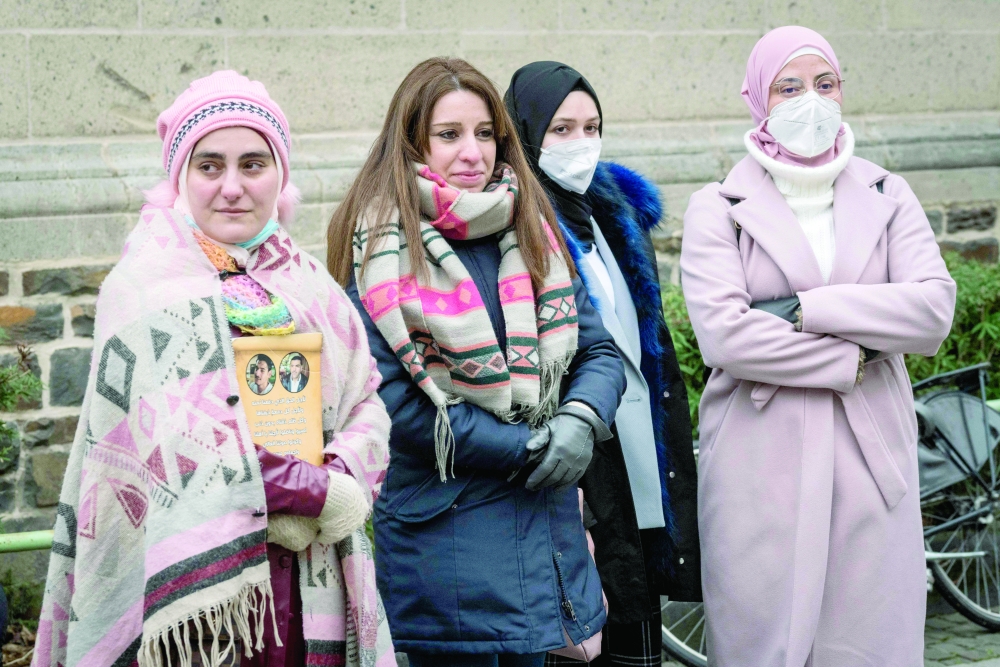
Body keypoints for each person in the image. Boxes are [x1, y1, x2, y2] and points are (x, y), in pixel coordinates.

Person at [33, 71, 395, 667]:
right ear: (180, 177)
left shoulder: (310, 284)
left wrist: (342, 474)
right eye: (209, 166)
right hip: (199, 607)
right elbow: (177, 441)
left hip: (308, 582)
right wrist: (313, 491)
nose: (232, 187)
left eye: (253, 164)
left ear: (280, 175)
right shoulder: (142, 291)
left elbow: (366, 401)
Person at [327, 57, 626, 667]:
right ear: (412, 142)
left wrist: (581, 419)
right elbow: (393, 404)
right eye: (449, 134)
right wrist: (531, 448)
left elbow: (597, 349)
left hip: (546, 534)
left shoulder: (531, 227)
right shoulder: (379, 246)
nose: (473, 152)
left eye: (485, 133)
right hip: (448, 546)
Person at [680, 27, 956, 666]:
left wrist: (807, 309)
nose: (811, 100)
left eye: (825, 83)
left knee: (867, 639)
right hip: (759, 458)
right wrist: (851, 354)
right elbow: (727, 336)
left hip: (870, 453)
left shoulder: (888, 193)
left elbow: (931, 311)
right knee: (764, 638)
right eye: (790, 87)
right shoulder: (716, 207)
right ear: (759, 98)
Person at [505, 62, 701, 667]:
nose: (581, 143)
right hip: (571, 472)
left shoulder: (614, 218)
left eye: (591, 127)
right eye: (561, 129)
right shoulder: (512, 224)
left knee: (634, 625)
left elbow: (648, 347)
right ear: (524, 132)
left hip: (638, 463)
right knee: (578, 636)